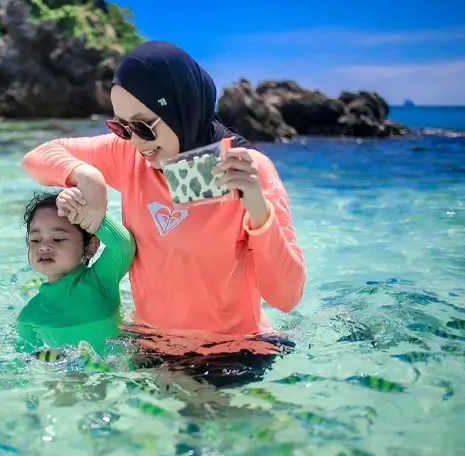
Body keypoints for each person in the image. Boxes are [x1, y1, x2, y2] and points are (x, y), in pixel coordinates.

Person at [22, 41, 306, 386]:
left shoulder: (246, 170)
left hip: (228, 352)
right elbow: (38, 156)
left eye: (143, 127)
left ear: (179, 109)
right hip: (151, 347)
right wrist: (87, 177)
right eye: (122, 127)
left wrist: (259, 214)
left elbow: (286, 298)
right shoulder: (130, 155)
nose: (135, 141)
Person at [17, 189, 136, 355]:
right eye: (35, 240)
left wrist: (87, 212)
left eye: (58, 239)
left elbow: (122, 245)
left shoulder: (99, 282)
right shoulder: (29, 315)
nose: (43, 246)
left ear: (90, 247)